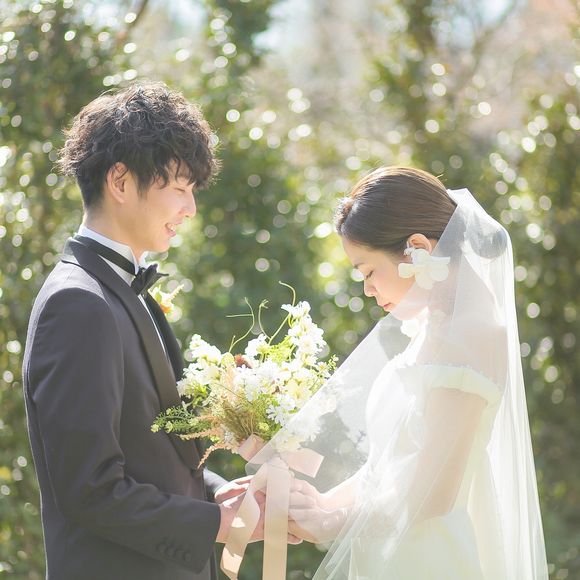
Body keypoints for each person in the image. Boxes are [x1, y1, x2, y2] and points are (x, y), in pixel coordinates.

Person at [22, 82, 264, 580]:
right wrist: (214, 524)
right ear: (121, 180)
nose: (190, 209)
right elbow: (90, 488)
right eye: (179, 188)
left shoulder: (124, 290)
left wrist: (218, 493)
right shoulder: (78, 304)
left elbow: (153, 454)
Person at [257, 167, 549, 578]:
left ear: (417, 249)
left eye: (368, 271)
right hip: (391, 554)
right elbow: (391, 465)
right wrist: (324, 504)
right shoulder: (433, 326)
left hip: (430, 562)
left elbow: (433, 492)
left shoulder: (473, 335)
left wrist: (332, 522)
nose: (367, 289)